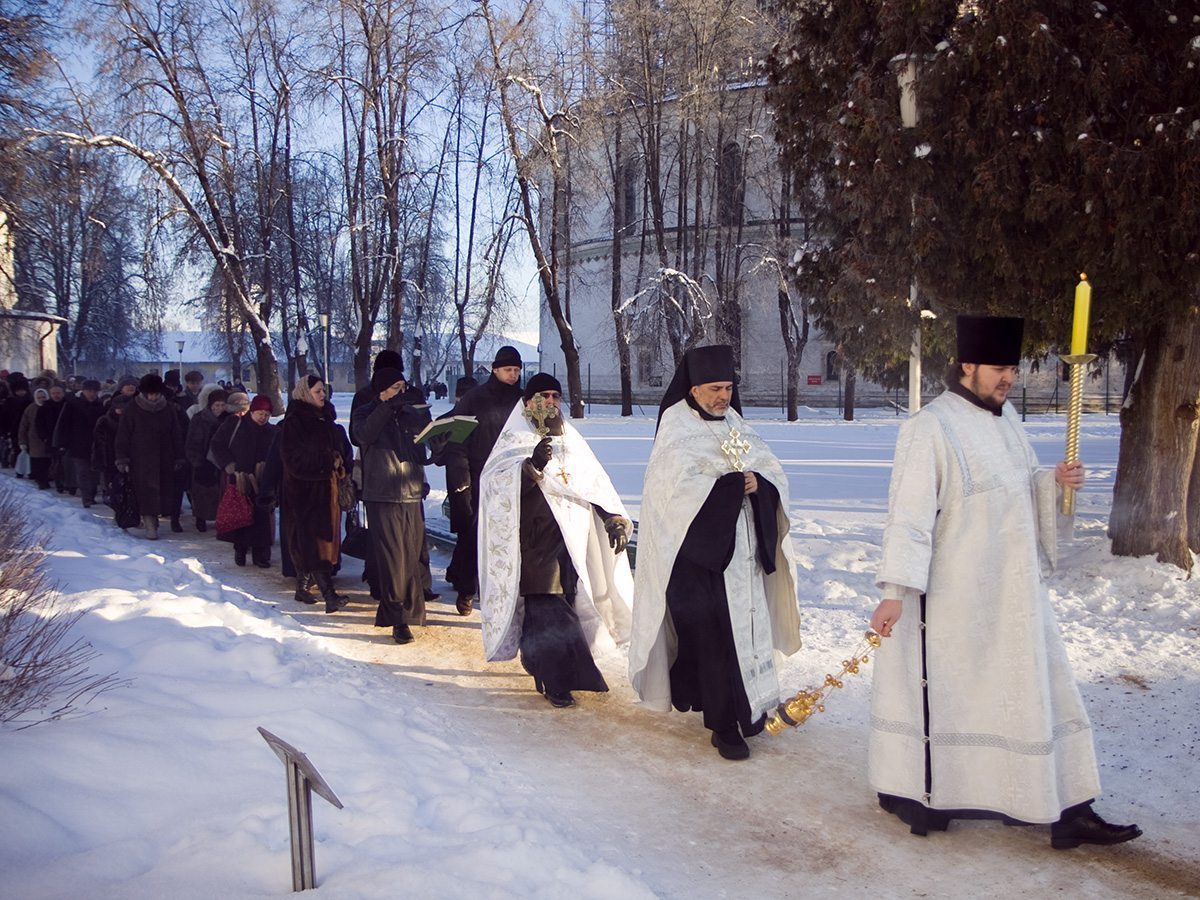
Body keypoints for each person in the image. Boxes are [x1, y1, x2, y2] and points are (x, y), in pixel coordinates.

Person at [867, 315, 1141, 849]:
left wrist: (1051, 483)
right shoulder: (930, 428)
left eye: (1013, 369)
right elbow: (908, 516)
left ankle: (1070, 810)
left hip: (1014, 594)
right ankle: (929, 792)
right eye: (999, 369)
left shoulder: (1007, 418)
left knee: (1039, 694)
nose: (1008, 379)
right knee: (957, 702)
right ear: (966, 365)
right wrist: (894, 592)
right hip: (952, 599)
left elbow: (1011, 489)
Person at [628, 345, 802, 760]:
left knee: (750, 634)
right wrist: (726, 489)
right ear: (693, 389)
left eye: (728, 387)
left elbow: (771, 470)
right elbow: (670, 493)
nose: (723, 396)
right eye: (714, 388)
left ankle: (751, 709)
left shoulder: (736, 423)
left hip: (744, 555)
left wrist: (760, 485)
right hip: (701, 560)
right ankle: (723, 726)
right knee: (716, 643)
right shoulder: (676, 427)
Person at [478, 374, 633, 708]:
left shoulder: (571, 440)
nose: (550, 402)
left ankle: (539, 664)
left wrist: (613, 519)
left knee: (564, 604)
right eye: (542, 396)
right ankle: (561, 681)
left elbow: (595, 484)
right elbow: (494, 486)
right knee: (550, 609)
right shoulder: (514, 437)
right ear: (528, 401)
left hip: (574, 541)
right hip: (534, 542)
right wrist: (530, 467)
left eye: (555, 396)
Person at [441, 346, 524, 615]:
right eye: (508, 370)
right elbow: (458, 442)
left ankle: (508, 591)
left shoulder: (523, 401)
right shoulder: (474, 399)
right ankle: (466, 591)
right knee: (474, 537)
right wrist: (462, 479)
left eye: (517, 370)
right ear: (495, 370)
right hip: (479, 479)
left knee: (511, 537)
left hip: (513, 478)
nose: (513, 375)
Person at [352, 366, 430, 643]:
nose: (402, 392)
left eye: (403, 387)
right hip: (382, 494)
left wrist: (440, 440)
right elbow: (360, 436)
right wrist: (386, 409)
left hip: (410, 492)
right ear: (382, 390)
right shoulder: (365, 411)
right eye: (396, 387)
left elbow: (422, 450)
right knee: (392, 559)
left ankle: (409, 614)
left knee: (411, 558)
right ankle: (397, 619)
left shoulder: (410, 414)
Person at [280, 376, 348, 613]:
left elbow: (337, 447)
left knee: (316, 543)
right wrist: (327, 460)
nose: (323, 395)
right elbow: (292, 459)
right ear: (305, 393)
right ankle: (330, 596)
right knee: (315, 543)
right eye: (318, 391)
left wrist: (340, 461)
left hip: (327, 490)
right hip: (304, 492)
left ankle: (301, 588)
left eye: (323, 391)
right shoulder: (294, 421)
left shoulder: (325, 417)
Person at [114, 373, 186, 540]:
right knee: (144, 493)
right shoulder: (132, 409)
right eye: (150, 394)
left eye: (156, 394)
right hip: (141, 459)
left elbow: (176, 433)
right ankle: (149, 524)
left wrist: (179, 456)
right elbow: (123, 435)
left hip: (165, 458)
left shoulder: (168, 408)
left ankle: (155, 518)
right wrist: (122, 458)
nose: (153, 397)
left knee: (163, 492)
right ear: (145, 393)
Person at [209, 394, 277, 567]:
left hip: (263, 481)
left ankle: (260, 555)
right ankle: (240, 549)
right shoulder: (235, 424)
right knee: (241, 514)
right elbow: (217, 443)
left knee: (262, 518)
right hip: (239, 479)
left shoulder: (273, 431)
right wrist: (228, 463)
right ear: (252, 411)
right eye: (260, 413)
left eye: (266, 414)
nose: (263, 417)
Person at [52, 379, 106, 507]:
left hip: (95, 445)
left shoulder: (100, 407)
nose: (92, 394)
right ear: (83, 391)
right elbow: (63, 425)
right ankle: (86, 497)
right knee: (82, 472)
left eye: (95, 391)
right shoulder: (72, 405)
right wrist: (61, 443)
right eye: (89, 391)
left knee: (94, 473)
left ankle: (91, 495)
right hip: (78, 444)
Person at [184, 385, 228, 532]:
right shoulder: (199, 418)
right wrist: (197, 462)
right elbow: (192, 442)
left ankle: (220, 518)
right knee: (202, 492)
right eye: (217, 405)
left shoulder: (227, 420)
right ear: (211, 405)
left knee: (220, 493)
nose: (220, 408)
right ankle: (200, 518)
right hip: (202, 460)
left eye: (223, 405)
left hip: (220, 461)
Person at [17, 387, 52, 489]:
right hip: (34, 440)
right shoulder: (30, 409)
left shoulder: (50, 407)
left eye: (43, 397)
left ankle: (47, 478)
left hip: (47, 438)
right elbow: (23, 426)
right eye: (39, 397)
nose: (42, 399)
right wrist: (22, 441)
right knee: (37, 461)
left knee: (48, 461)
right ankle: (41, 480)